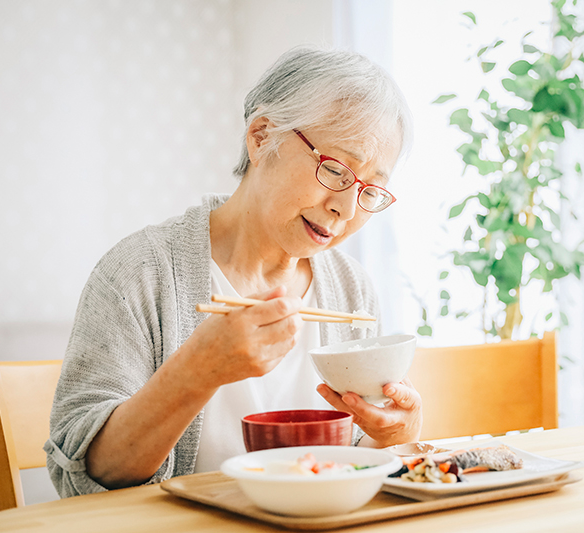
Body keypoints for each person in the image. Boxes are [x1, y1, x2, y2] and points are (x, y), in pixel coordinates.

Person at [46, 46, 422, 498]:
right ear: (262, 137)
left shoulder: (350, 290)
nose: (344, 207)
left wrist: (393, 435)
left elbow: (357, 463)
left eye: (370, 191)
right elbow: (84, 477)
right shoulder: (140, 274)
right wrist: (198, 371)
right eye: (336, 170)